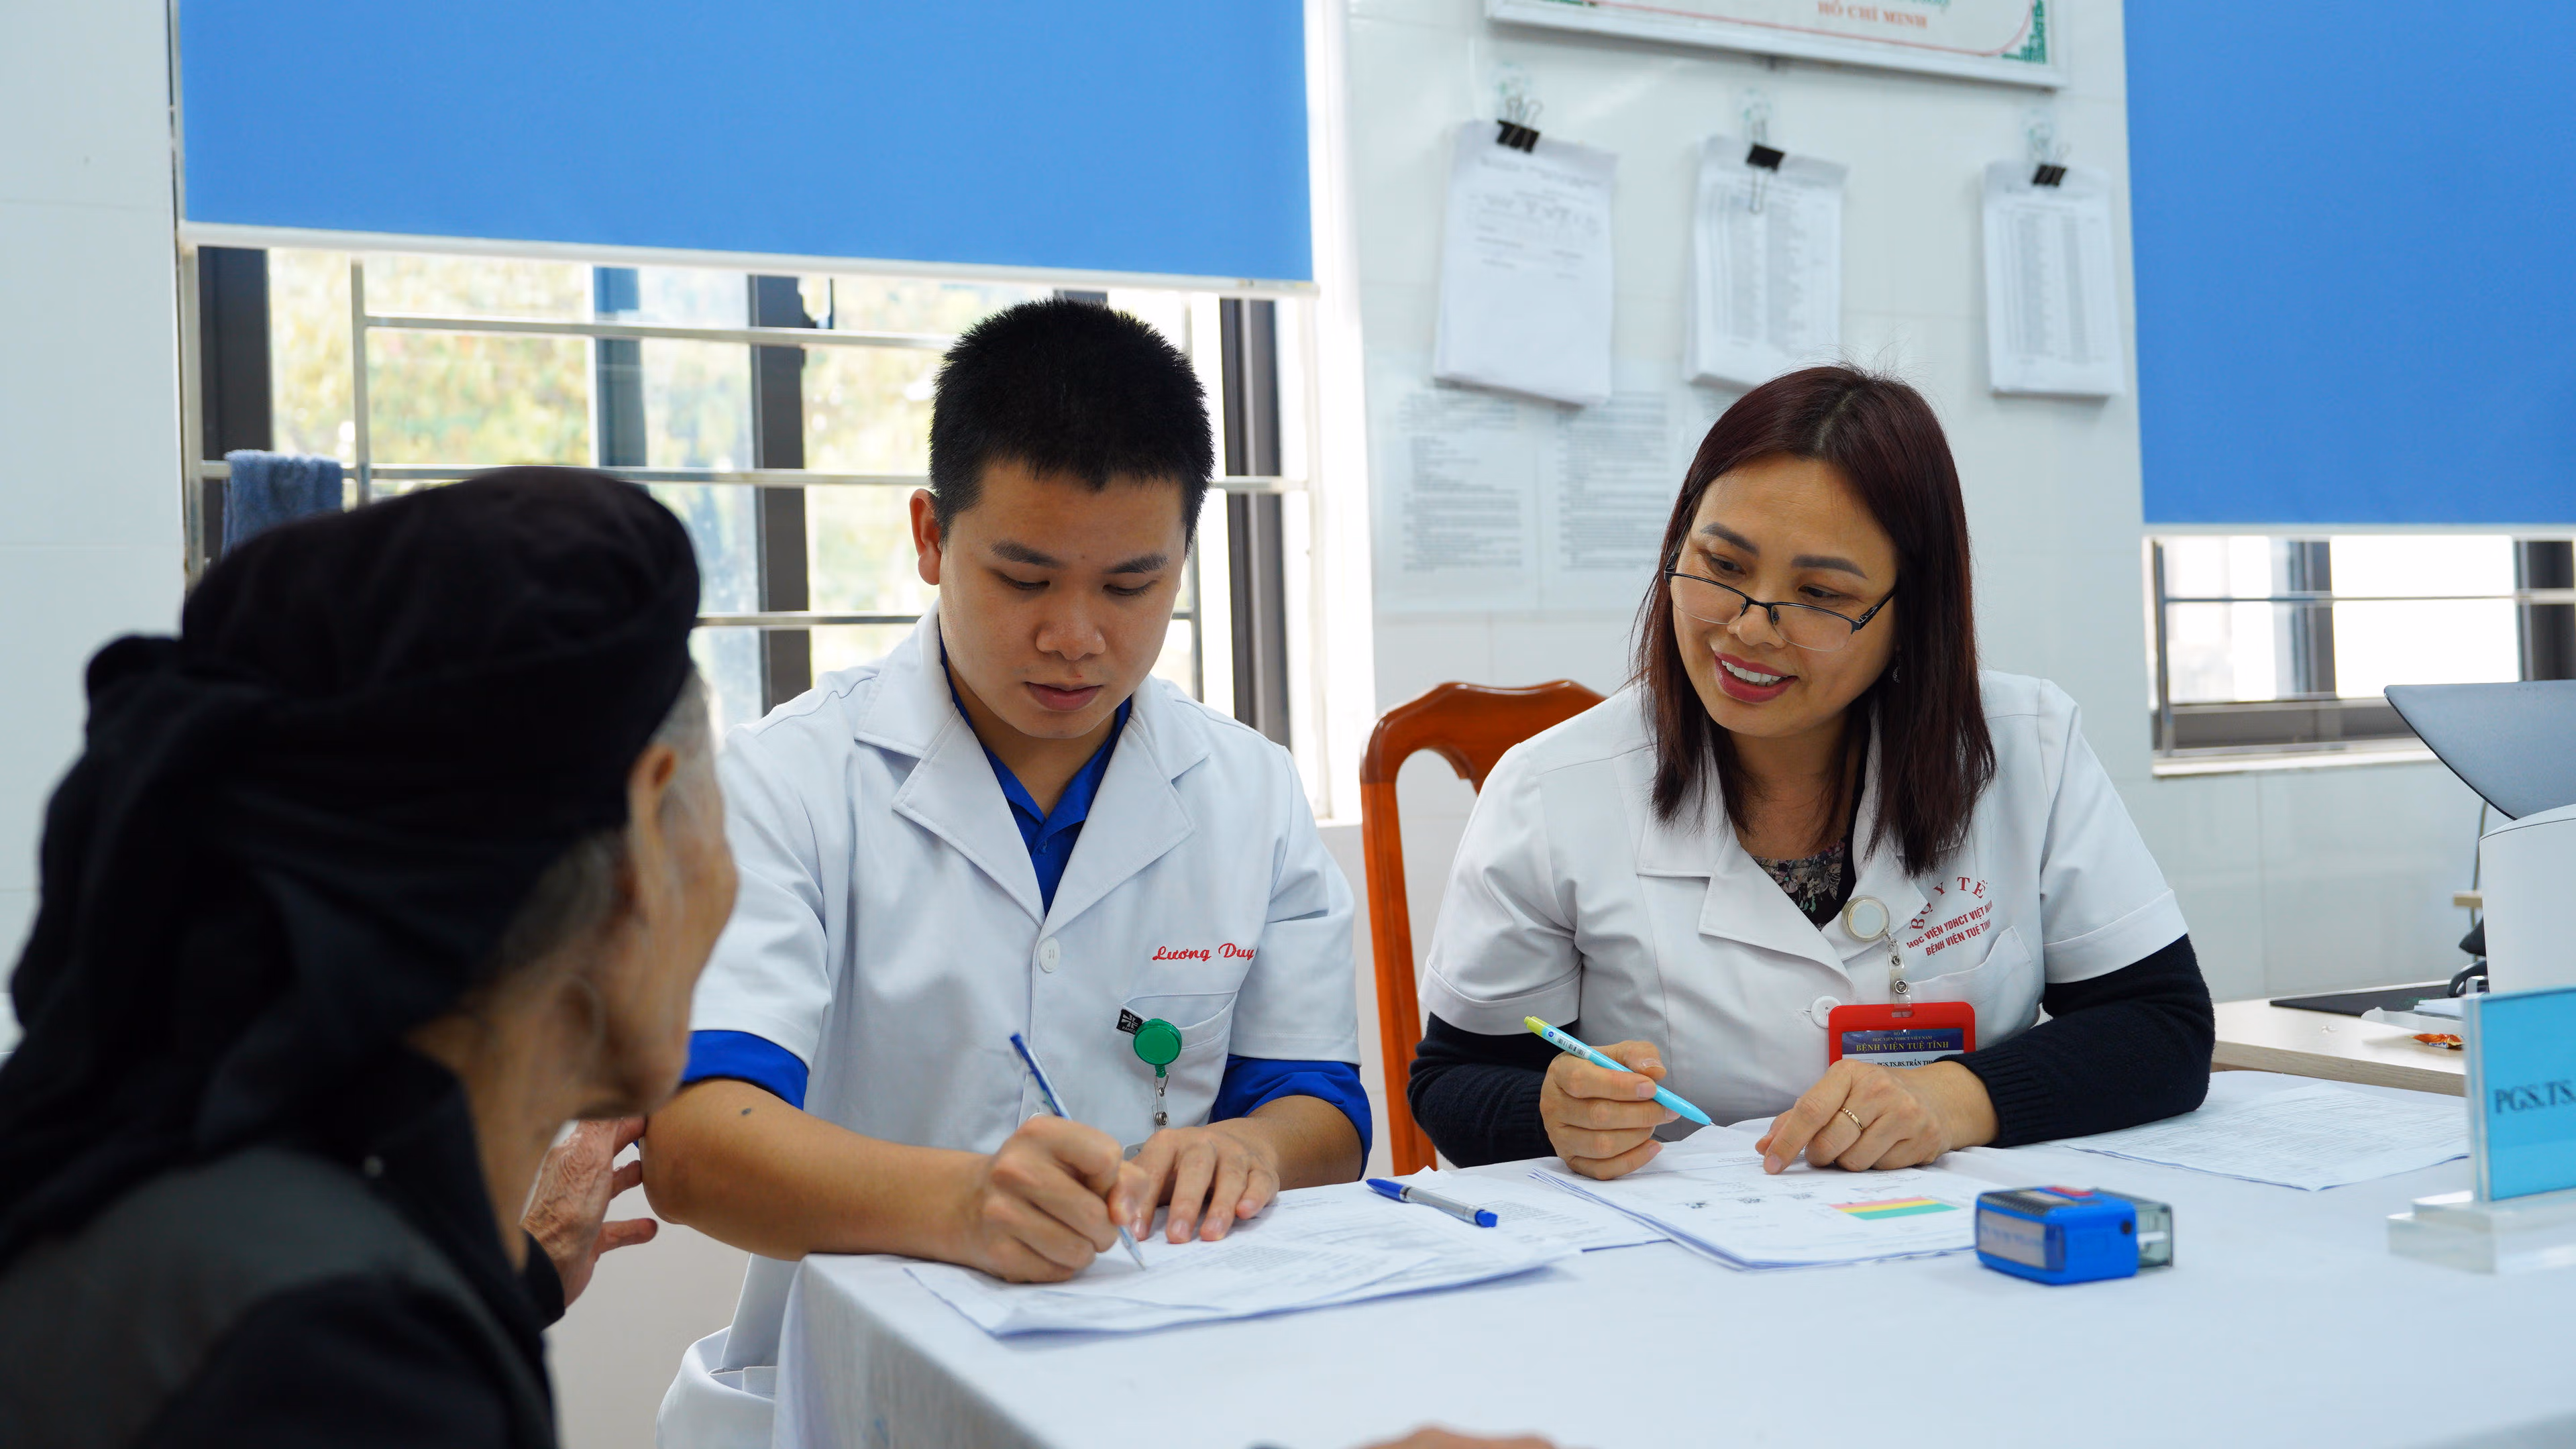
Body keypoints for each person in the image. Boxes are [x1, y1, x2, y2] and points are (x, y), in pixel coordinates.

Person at [645, 299, 1368, 1444]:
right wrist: (962, 1202)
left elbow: (1322, 1114)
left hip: (1174, 1370)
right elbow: (695, 1146)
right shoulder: (790, 783)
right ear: (931, 536)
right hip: (854, 1395)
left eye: (1130, 586)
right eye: (1025, 579)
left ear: (1184, 559)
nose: (1076, 635)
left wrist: (1247, 1149)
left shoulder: (1247, 792)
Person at [0, 469, 737, 1448]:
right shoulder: (341, 1365)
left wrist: (516, 1274)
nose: (729, 878)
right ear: (646, 820)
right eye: (719, 816)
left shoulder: (198, 1192)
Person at [1407, 366, 2214, 1179]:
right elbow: (1455, 1080)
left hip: (1958, 1234)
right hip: (1685, 1242)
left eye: (1820, 593)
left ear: (1912, 613)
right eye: (1722, 567)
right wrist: (1553, 1113)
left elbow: (2160, 1025)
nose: (1751, 628)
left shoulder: (2022, 747)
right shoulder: (1554, 789)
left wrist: (1950, 1099)